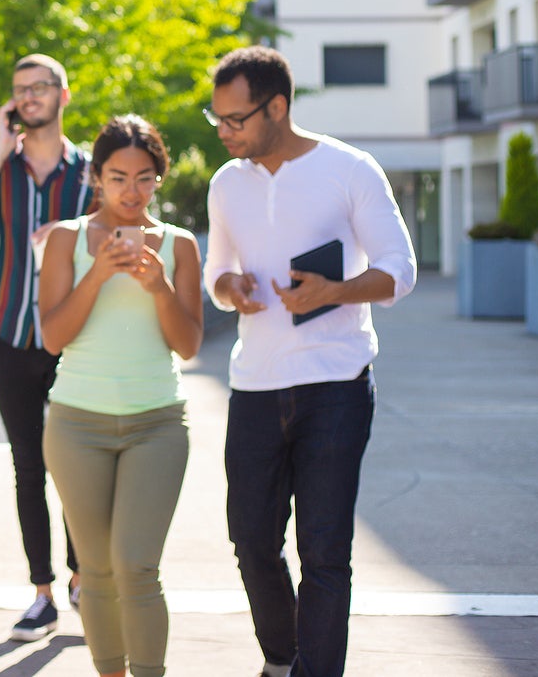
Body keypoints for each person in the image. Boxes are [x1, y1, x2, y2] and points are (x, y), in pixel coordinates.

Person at [203, 46, 416, 677]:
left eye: (235, 119)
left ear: (277, 107)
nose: (222, 131)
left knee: (325, 551)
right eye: (216, 117)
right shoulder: (226, 184)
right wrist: (230, 290)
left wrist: (335, 291)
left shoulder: (350, 169)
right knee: (252, 543)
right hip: (254, 385)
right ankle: (282, 659)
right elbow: (218, 270)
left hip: (336, 384)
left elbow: (399, 271)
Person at [38, 116, 203, 677]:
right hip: (76, 425)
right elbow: (53, 336)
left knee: (136, 566)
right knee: (97, 569)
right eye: (118, 177)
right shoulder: (64, 239)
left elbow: (188, 345)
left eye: (144, 177)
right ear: (97, 177)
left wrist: (158, 287)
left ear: (159, 177)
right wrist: (96, 275)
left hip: (157, 423)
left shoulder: (179, 246)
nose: (132, 192)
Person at [0, 53, 88, 640]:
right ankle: (43, 594)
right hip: (7, 332)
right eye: (19, 91)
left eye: (40, 88)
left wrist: (64, 239)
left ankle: (85, 578)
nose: (29, 98)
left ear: (63, 94)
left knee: (77, 464)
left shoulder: (90, 169)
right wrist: (2, 146)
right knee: (28, 464)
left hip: (74, 338)